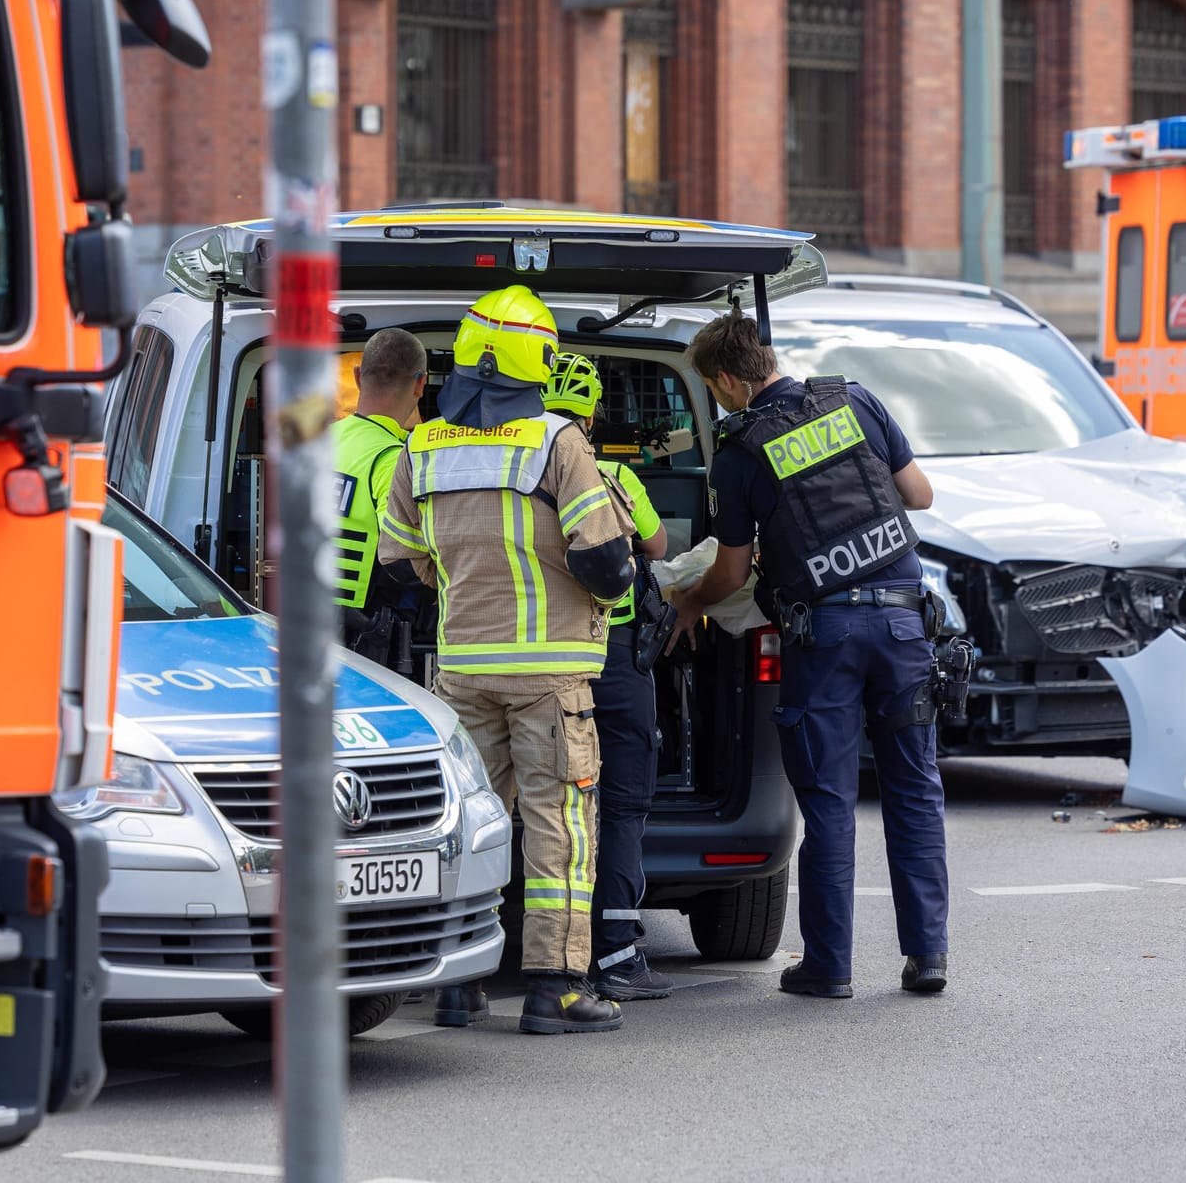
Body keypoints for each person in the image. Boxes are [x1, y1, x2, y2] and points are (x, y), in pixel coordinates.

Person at [377, 286, 637, 1035]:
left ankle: (462, 984)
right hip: (552, 677)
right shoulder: (557, 442)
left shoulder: (419, 447)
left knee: (473, 823)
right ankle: (555, 988)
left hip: (462, 671)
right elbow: (611, 564)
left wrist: (463, 584)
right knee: (559, 822)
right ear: (538, 361)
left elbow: (398, 567)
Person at [668, 310, 948, 998]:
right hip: (907, 626)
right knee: (915, 791)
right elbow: (919, 494)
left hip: (826, 636)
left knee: (827, 801)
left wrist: (687, 602)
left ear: (731, 379)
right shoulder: (853, 399)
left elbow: (730, 575)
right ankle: (929, 958)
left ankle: (830, 966)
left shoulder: (739, 452)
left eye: (714, 390)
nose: (718, 401)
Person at [541, 352, 674, 1002]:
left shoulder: (524, 477)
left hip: (547, 657)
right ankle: (618, 955)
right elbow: (658, 547)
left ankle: (542, 953)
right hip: (615, 659)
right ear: (593, 413)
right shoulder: (617, 475)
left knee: (556, 808)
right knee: (623, 805)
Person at [332, 327, 429, 666]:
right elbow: (403, 558)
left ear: (358, 376)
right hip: (362, 633)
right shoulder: (392, 457)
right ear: (421, 384)